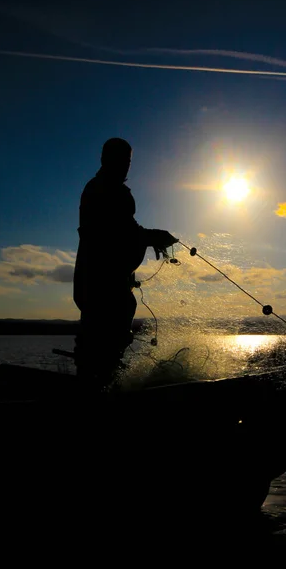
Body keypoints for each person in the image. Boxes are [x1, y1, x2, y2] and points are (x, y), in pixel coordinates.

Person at [73, 138, 178, 390]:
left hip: (104, 285)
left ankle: (96, 386)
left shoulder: (107, 189)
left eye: (128, 161)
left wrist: (150, 237)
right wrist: (154, 237)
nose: (125, 166)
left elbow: (128, 230)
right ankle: (95, 392)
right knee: (101, 344)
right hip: (100, 286)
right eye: (120, 161)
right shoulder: (103, 189)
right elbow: (116, 232)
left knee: (107, 344)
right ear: (104, 160)